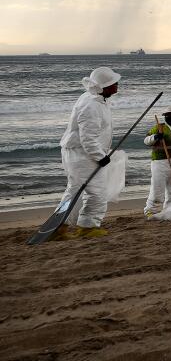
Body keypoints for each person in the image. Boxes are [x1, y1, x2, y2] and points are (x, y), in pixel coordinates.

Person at [51, 66, 118, 240]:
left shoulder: (96, 99)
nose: (117, 86)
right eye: (113, 83)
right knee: (97, 192)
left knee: (74, 191)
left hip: (81, 153)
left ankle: (60, 226)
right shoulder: (91, 106)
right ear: (103, 86)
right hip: (82, 155)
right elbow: (87, 138)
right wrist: (100, 156)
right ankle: (87, 227)